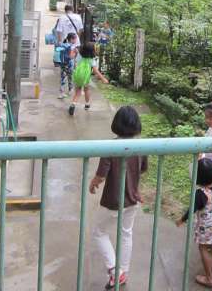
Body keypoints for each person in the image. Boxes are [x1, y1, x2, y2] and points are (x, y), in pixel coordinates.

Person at [89, 106, 147, 290]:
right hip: (132, 199)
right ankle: (123, 271)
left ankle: (115, 270)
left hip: (113, 200)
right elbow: (142, 169)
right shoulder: (142, 146)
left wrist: (93, 183)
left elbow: (101, 175)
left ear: (117, 123)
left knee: (98, 232)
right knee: (126, 232)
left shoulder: (111, 147)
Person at [177, 158, 212, 289]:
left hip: (205, 229)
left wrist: (181, 220)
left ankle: (209, 278)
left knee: (203, 248)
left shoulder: (200, 194)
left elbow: (191, 209)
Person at [69, 42, 108, 115]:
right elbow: (96, 71)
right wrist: (103, 79)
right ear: (92, 51)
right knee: (86, 90)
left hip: (77, 75)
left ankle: (73, 104)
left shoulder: (79, 55)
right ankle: (87, 104)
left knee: (77, 92)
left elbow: (75, 63)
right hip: (85, 77)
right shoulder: (91, 60)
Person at [58, 33, 78, 99]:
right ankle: (70, 90)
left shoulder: (63, 45)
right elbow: (71, 57)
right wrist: (75, 53)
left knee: (63, 78)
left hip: (63, 64)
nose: (76, 40)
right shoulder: (72, 47)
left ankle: (61, 93)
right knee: (70, 78)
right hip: (69, 65)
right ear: (71, 39)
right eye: (75, 39)